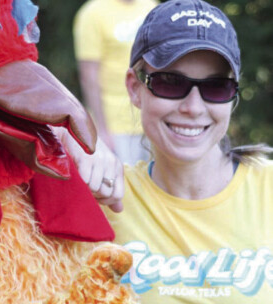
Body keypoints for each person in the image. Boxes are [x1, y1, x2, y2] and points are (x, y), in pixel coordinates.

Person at [94, 0, 273, 302]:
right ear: (134, 88)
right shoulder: (105, 198)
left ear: (233, 95)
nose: (193, 108)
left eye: (216, 86)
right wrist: (75, 142)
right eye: (170, 82)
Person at [73, 0, 157, 165]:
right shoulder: (92, 13)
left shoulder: (150, 7)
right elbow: (88, 75)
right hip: (115, 125)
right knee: (123, 185)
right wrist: (102, 130)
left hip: (151, 117)